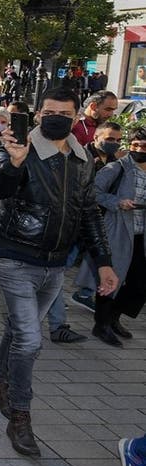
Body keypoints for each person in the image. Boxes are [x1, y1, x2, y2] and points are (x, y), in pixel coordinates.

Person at [0, 87, 118, 457]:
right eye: (49, 112)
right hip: (14, 256)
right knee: (30, 340)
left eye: (64, 114)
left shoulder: (82, 159)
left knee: (17, 330)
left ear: (77, 118)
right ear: (38, 114)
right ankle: (20, 415)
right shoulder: (18, 147)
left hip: (55, 263)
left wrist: (104, 262)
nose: (56, 118)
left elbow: (89, 212)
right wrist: (14, 163)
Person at [89, 130, 146, 347]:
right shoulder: (117, 168)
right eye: (135, 145)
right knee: (112, 278)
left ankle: (114, 317)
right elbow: (93, 191)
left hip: (141, 235)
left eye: (144, 146)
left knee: (139, 283)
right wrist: (117, 202)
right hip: (118, 231)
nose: (139, 150)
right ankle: (101, 323)